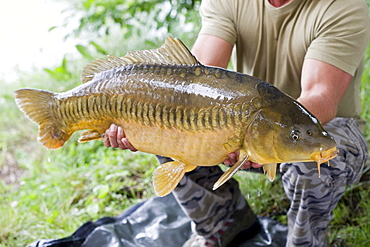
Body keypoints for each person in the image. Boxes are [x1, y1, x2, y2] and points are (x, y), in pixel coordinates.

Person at [103, 0, 370, 246]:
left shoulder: (343, 6)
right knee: (174, 124)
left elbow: (320, 95)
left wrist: (267, 137)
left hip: (325, 127)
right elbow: (196, 78)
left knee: (319, 161)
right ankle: (225, 223)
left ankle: (305, 240)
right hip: (244, 125)